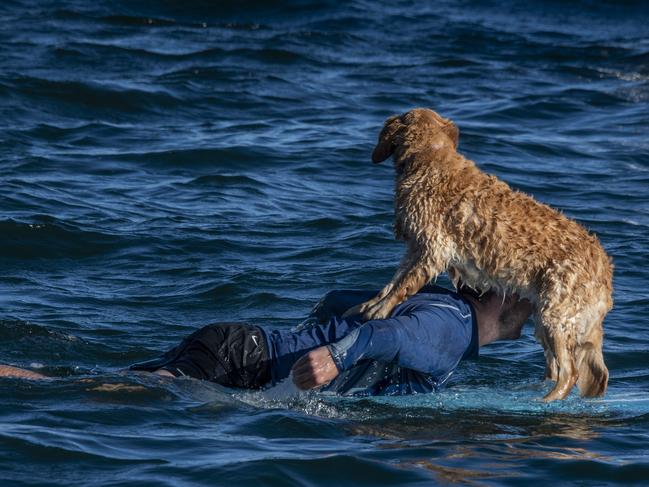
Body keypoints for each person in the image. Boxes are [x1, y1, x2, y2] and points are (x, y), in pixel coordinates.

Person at [0, 285, 532, 396]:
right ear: (506, 292)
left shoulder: (430, 295)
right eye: (538, 292)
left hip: (240, 348)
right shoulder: (453, 326)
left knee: (89, 384)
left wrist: (316, 339)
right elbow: (381, 333)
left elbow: (340, 299)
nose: (542, 308)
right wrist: (335, 356)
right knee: (81, 393)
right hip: (243, 366)